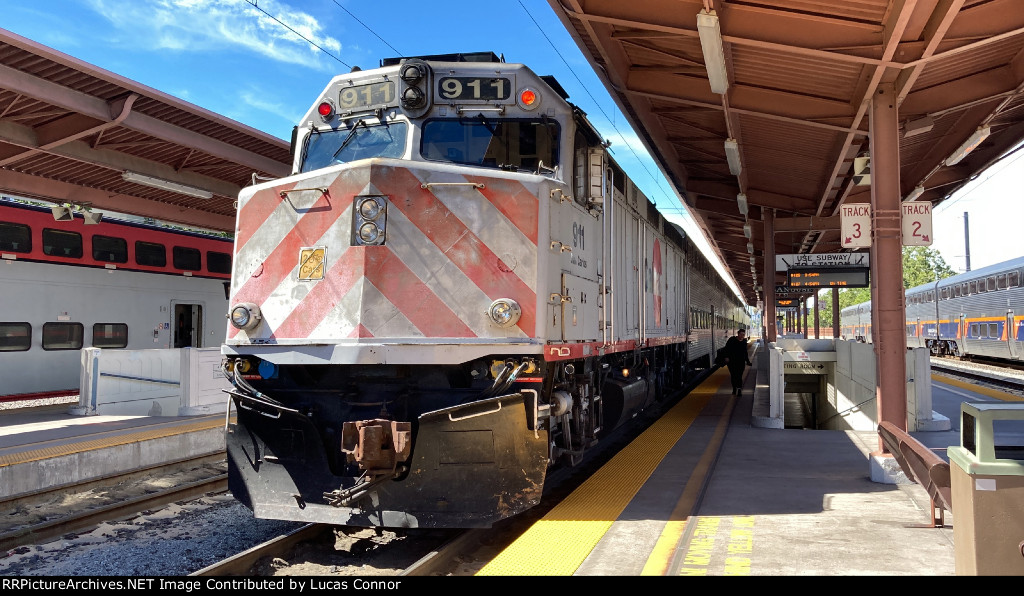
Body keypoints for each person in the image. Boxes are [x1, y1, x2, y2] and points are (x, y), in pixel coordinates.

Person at [723, 328, 752, 395]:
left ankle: (739, 389)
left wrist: (747, 361)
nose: (742, 336)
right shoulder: (732, 340)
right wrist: (726, 357)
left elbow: (745, 353)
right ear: (738, 334)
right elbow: (726, 349)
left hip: (741, 362)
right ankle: (734, 388)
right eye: (741, 334)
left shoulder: (744, 342)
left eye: (743, 335)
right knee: (733, 375)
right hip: (732, 362)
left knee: (739, 376)